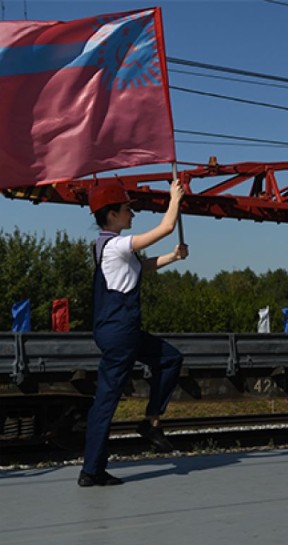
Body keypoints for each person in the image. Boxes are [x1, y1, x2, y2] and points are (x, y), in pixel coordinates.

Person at [78, 180, 189, 487]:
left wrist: (174, 257)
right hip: (120, 332)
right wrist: (175, 199)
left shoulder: (108, 247)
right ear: (111, 215)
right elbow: (166, 227)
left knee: (169, 359)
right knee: (106, 401)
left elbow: (144, 267)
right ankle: (91, 471)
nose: (132, 214)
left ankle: (151, 421)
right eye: (127, 209)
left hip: (119, 331)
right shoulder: (115, 245)